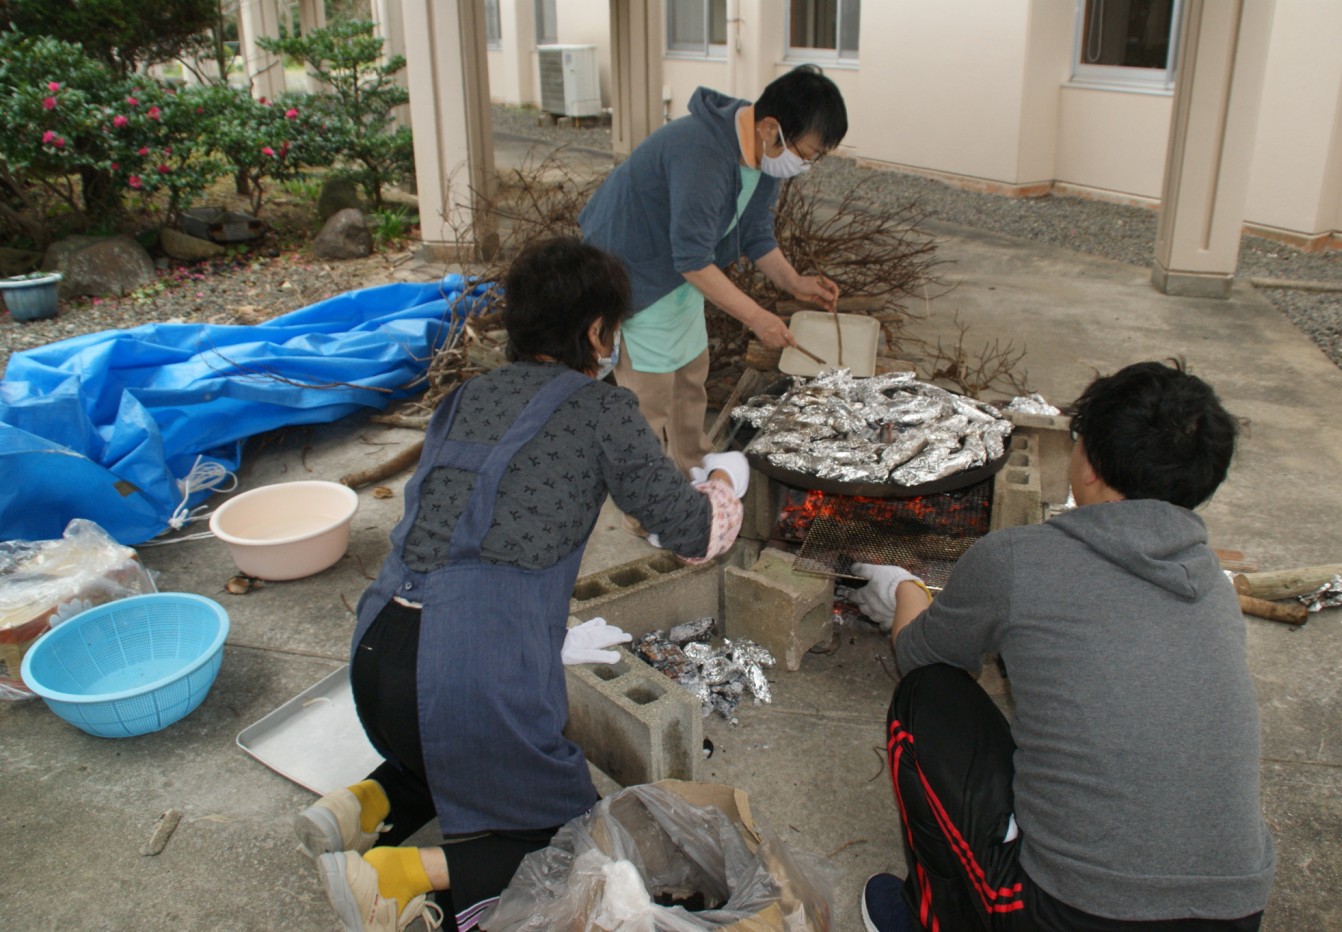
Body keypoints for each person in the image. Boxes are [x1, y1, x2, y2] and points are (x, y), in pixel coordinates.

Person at [293, 237, 750, 932]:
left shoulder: (464, 396)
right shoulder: (602, 410)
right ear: (596, 332)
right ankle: (399, 876)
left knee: (448, 750)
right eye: (613, 330)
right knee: (571, 845)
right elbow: (694, 534)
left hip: (377, 656)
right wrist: (725, 479)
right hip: (466, 675)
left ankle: (365, 806)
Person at [850, 360, 1275, 931]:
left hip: (1070, 915)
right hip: (1237, 913)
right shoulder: (1212, 585)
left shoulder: (1018, 560)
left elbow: (921, 655)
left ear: (1092, 466)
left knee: (924, 697)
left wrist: (902, 590)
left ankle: (930, 915)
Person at [579, 64, 847, 481]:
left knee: (690, 375)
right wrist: (758, 318)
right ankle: (646, 505)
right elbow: (691, 259)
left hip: (681, 274)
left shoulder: (763, 156)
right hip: (635, 271)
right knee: (648, 398)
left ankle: (696, 471)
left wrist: (795, 283)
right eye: (806, 154)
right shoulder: (702, 152)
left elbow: (756, 233)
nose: (803, 165)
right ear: (770, 127)